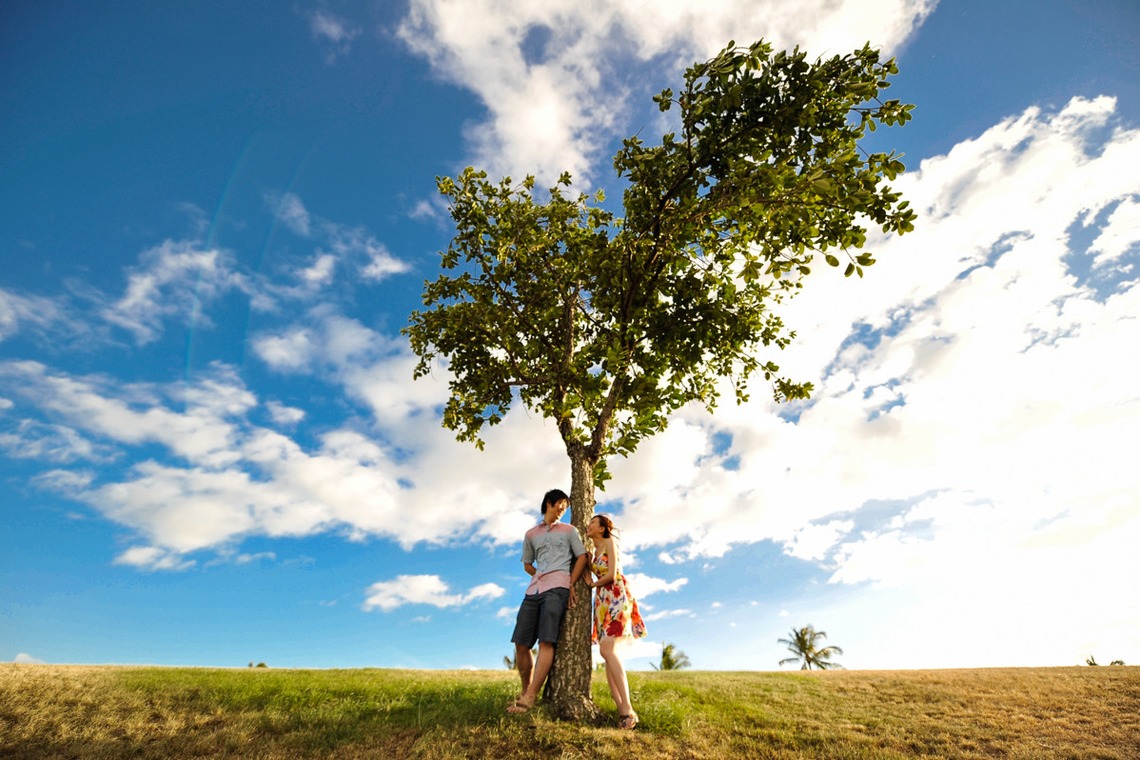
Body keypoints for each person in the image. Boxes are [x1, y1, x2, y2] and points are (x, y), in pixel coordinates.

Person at [507, 488, 588, 714]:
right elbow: (527, 564)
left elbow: (582, 556)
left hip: (558, 589)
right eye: (561, 504)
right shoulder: (531, 534)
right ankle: (525, 690)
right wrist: (538, 574)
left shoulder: (570, 531)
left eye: (566, 506)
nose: (564, 509)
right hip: (533, 590)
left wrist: (570, 582)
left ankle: (531, 696)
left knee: (546, 641)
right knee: (521, 643)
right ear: (549, 503)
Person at [585, 513, 647, 729]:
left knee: (608, 651)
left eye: (592, 522)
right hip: (602, 601)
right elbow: (593, 575)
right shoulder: (592, 553)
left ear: (602, 528)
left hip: (616, 596)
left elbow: (611, 574)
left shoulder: (610, 543)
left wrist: (592, 584)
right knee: (606, 652)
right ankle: (621, 710)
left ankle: (628, 708)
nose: (588, 525)